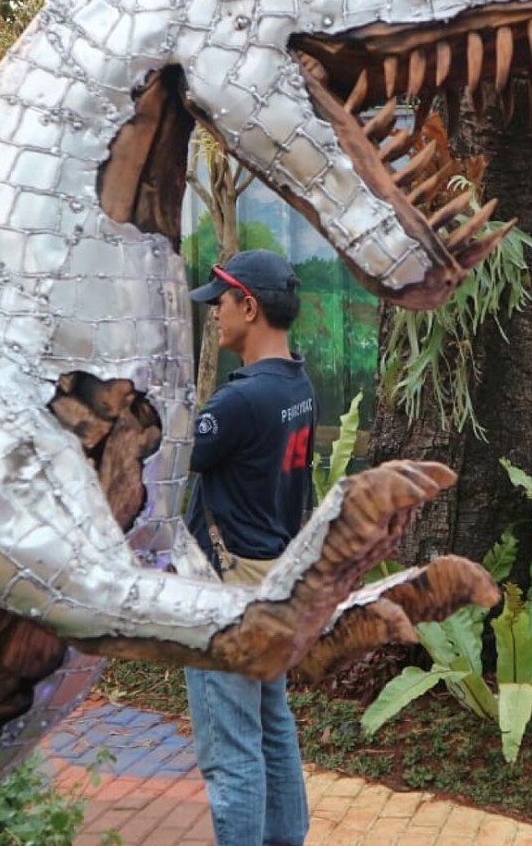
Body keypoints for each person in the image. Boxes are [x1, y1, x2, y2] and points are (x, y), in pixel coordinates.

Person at [183, 249, 315, 846]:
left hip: (227, 599)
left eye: (221, 302)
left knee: (232, 754)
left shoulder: (236, 402)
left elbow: (170, 460)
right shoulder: (298, 383)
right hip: (275, 583)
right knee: (271, 727)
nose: (215, 314)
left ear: (251, 306)